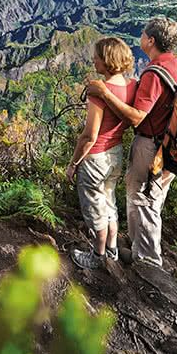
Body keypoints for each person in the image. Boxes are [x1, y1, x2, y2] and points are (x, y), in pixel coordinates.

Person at [86, 18, 177, 267]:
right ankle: (141, 251)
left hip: (153, 146)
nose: (140, 36)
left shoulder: (153, 73)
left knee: (142, 201)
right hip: (175, 145)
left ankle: (148, 264)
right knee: (153, 200)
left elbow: (136, 117)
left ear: (150, 40)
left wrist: (105, 93)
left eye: (143, 33)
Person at [68, 37, 137, 270]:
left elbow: (89, 136)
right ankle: (112, 250)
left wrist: (74, 162)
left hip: (95, 157)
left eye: (97, 56)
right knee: (109, 202)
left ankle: (97, 257)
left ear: (107, 61)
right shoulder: (132, 86)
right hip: (116, 153)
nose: (93, 60)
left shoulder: (99, 91)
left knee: (95, 208)